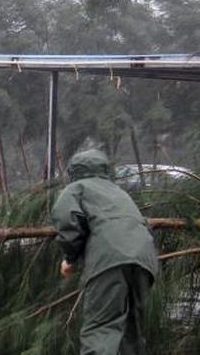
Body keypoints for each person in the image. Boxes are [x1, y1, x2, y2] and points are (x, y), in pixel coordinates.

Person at [51, 149, 159, 355]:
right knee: (133, 329)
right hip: (144, 259)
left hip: (110, 259)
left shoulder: (76, 188)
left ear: (74, 171)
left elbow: (67, 221)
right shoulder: (118, 192)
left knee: (101, 328)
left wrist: (70, 259)